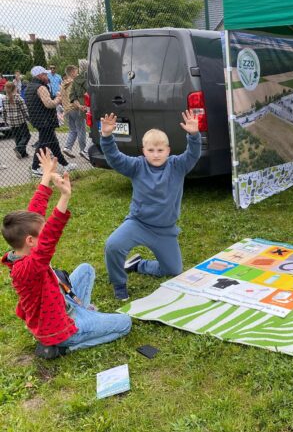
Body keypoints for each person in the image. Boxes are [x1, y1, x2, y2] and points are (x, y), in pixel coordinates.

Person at [1, 149, 132, 359]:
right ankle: (64, 347)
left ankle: (83, 312)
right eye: (42, 231)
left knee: (86, 270)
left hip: (60, 303)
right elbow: (49, 238)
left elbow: (35, 213)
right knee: (125, 323)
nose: (45, 230)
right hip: (58, 329)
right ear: (30, 241)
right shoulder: (27, 268)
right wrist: (64, 196)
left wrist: (46, 177)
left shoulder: (22, 251)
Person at [101, 111, 201, 300]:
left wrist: (194, 135)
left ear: (168, 151)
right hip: (138, 224)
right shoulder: (137, 166)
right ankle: (119, 283)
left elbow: (193, 154)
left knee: (173, 270)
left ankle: (139, 265)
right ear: (143, 151)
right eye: (151, 150)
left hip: (165, 230)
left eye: (160, 150)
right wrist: (106, 137)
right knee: (113, 245)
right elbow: (115, 158)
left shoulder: (178, 165)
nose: (156, 155)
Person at [25, 66, 76, 176]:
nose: (47, 76)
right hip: (45, 120)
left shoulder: (30, 86)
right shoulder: (41, 87)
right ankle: (34, 168)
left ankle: (65, 164)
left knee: (53, 143)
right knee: (43, 144)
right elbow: (49, 104)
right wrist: (59, 98)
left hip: (38, 119)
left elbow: (40, 101)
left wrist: (53, 96)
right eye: (45, 74)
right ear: (39, 75)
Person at [61, 65, 87, 159]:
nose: (78, 73)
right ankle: (84, 150)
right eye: (76, 71)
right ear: (72, 72)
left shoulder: (63, 84)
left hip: (67, 110)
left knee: (73, 130)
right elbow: (75, 96)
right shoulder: (73, 83)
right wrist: (80, 105)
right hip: (75, 108)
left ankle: (67, 148)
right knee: (81, 130)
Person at [2, 81, 31, 159]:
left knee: (17, 137)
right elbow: (24, 110)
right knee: (27, 136)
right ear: (14, 88)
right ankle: (19, 148)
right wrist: (29, 119)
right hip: (20, 121)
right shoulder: (18, 98)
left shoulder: (4, 99)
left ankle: (23, 153)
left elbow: (4, 111)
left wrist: (5, 121)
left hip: (11, 121)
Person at [68, 59, 89, 160]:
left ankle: (84, 150)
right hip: (91, 106)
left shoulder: (75, 81)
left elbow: (72, 97)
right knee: (97, 129)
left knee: (81, 130)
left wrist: (80, 106)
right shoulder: (89, 79)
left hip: (82, 108)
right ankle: (85, 150)